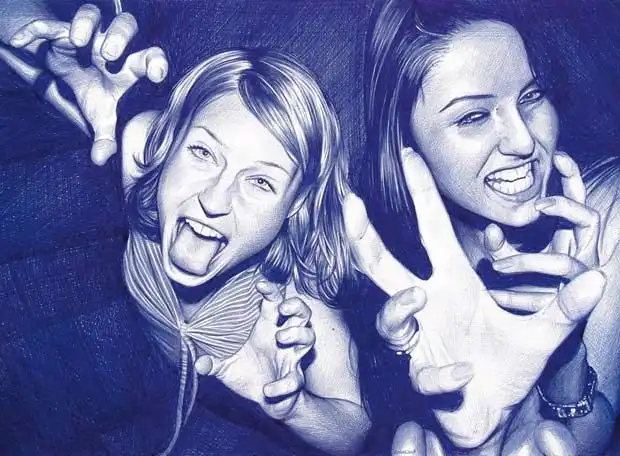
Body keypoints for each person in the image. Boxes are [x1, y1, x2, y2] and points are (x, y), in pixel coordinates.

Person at [7, 5, 370, 455]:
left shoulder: (291, 296)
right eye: (202, 153)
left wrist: (294, 406)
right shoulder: (140, 149)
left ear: (295, 204)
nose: (215, 200)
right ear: (171, 140)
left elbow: (354, 430)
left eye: (260, 182)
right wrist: (58, 74)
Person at [346, 0, 619, 453]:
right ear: (404, 142)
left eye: (531, 96)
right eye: (473, 117)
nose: (524, 141)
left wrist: (567, 351)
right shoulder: (377, 265)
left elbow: (585, 440)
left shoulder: (603, 214)